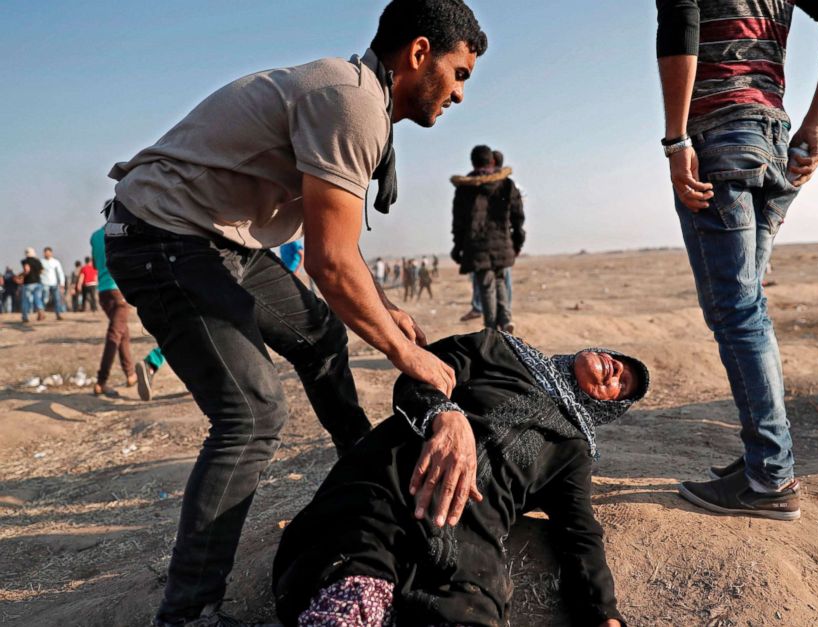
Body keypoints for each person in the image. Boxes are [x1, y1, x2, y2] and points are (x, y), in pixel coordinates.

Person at [102, 2, 488, 624]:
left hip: (225, 239)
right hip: (163, 235)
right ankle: (189, 613)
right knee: (252, 414)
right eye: (461, 72)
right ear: (420, 54)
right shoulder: (352, 100)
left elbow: (335, 243)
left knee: (319, 336)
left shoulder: (364, 98)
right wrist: (405, 352)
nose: (461, 93)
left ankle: (365, 473)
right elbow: (329, 263)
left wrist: (386, 308)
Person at [273, 329, 648, 627]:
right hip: (388, 492)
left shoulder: (571, 448)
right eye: (618, 361)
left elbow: (579, 533)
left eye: (623, 383)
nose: (616, 368)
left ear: (607, 406)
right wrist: (444, 413)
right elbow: (417, 377)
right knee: (353, 596)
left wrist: (603, 614)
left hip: (465, 546)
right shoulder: (498, 348)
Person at [656, 0, 818, 520]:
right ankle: (764, 457)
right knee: (748, 307)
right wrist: (816, 124)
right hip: (775, 140)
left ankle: (770, 477)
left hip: (722, 135)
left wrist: (678, 138)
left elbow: (680, 17)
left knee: (738, 312)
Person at [450, 145, 525, 333]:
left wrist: (457, 248)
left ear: (473, 163)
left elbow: (458, 223)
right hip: (502, 244)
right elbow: (518, 217)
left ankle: (491, 329)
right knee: (499, 280)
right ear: (492, 161)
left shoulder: (465, 188)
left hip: (477, 247)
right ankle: (506, 321)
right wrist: (517, 242)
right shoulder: (507, 184)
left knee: (486, 286)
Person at [90, 225, 137, 395]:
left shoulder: (95, 236)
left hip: (103, 291)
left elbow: (95, 264)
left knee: (122, 332)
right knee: (115, 334)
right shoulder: (122, 231)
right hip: (119, 289)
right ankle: (101, 381)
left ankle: (130, 374)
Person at [19, 248, 45, 323]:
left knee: (25, 300)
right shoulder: (37, 261)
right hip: (38, 282)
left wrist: (21, 275)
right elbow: (42, 271)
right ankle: (40, 310)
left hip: (28, 283)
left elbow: (27, 270)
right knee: (37, 299)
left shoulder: (25, 261)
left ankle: (25, 317)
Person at [40, 247, 66, 320]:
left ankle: (58, 314)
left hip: (54, 283)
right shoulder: (41, 262)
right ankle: (42, 313)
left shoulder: (55, 262)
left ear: (51, 253)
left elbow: (60, 273)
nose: (47, 254)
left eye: (49, 252)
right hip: (44, 283)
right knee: (45, 299)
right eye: (46, 253)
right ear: (44, 253)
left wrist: (62, 283)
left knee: (57, 299)